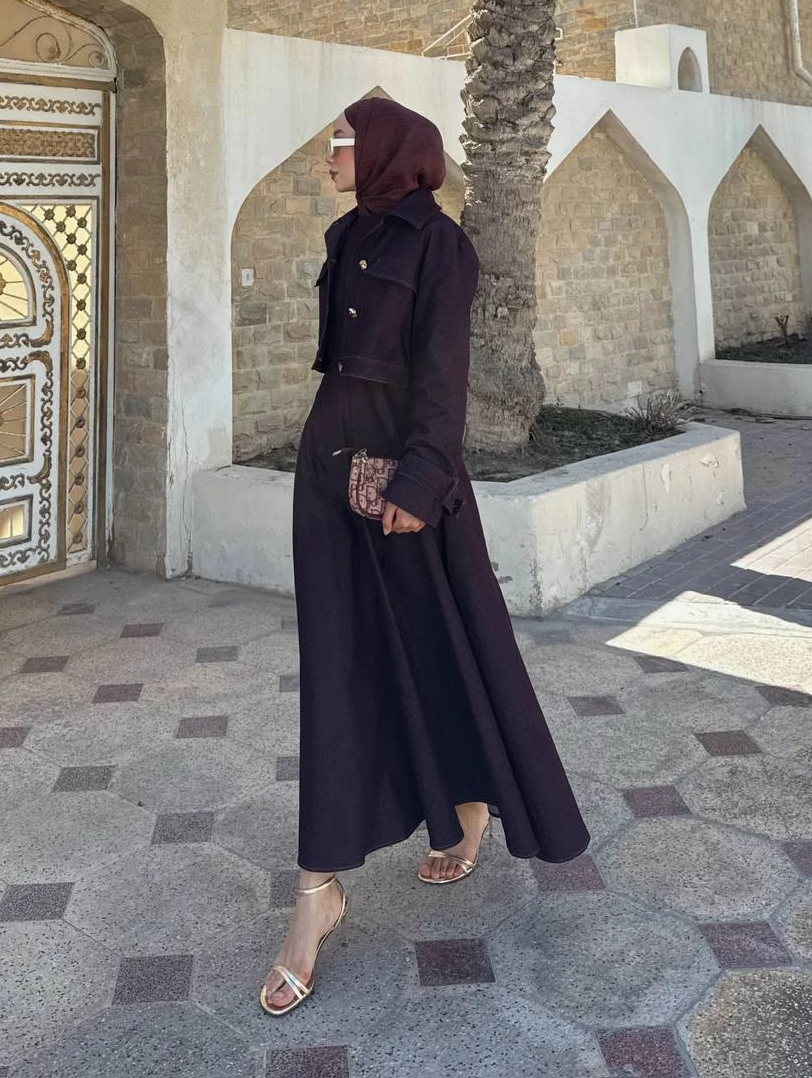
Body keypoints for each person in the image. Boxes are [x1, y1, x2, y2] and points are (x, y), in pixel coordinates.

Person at [259, 96, 590, 1015]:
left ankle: (473, 801)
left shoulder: (443, 248)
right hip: (327, 473)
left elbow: (444, 379)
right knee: (339, 668)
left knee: (447, 648)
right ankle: (316, 891)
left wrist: (421, 481)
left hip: (405, 481)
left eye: (341, 142)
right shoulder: (342, 235)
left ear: (385, 150)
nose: (329, 155)